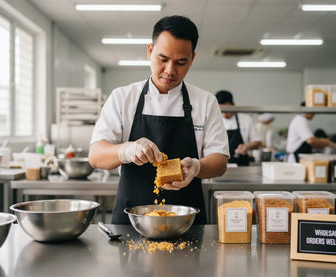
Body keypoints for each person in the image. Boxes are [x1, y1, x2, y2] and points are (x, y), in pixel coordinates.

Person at [89, 16, 229, 224]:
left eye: (181, 62)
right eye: (163, 59)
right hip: (131, 222)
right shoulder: (123, 97)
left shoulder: (205, 102)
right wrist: (127, 150)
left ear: (192, 59)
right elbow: (96, 156)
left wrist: (197, 167)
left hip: (186, 220)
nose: (170, 70)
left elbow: (219, 161)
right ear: (149, 51)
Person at [215, 90, 261, 166]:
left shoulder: (246, 119)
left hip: (242, 164)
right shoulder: (215, 121)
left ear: (233, 105)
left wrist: (247, 147)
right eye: (221, 110)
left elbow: (258, 142)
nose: (224, 114)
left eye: (227, 110)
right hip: (220, 165)